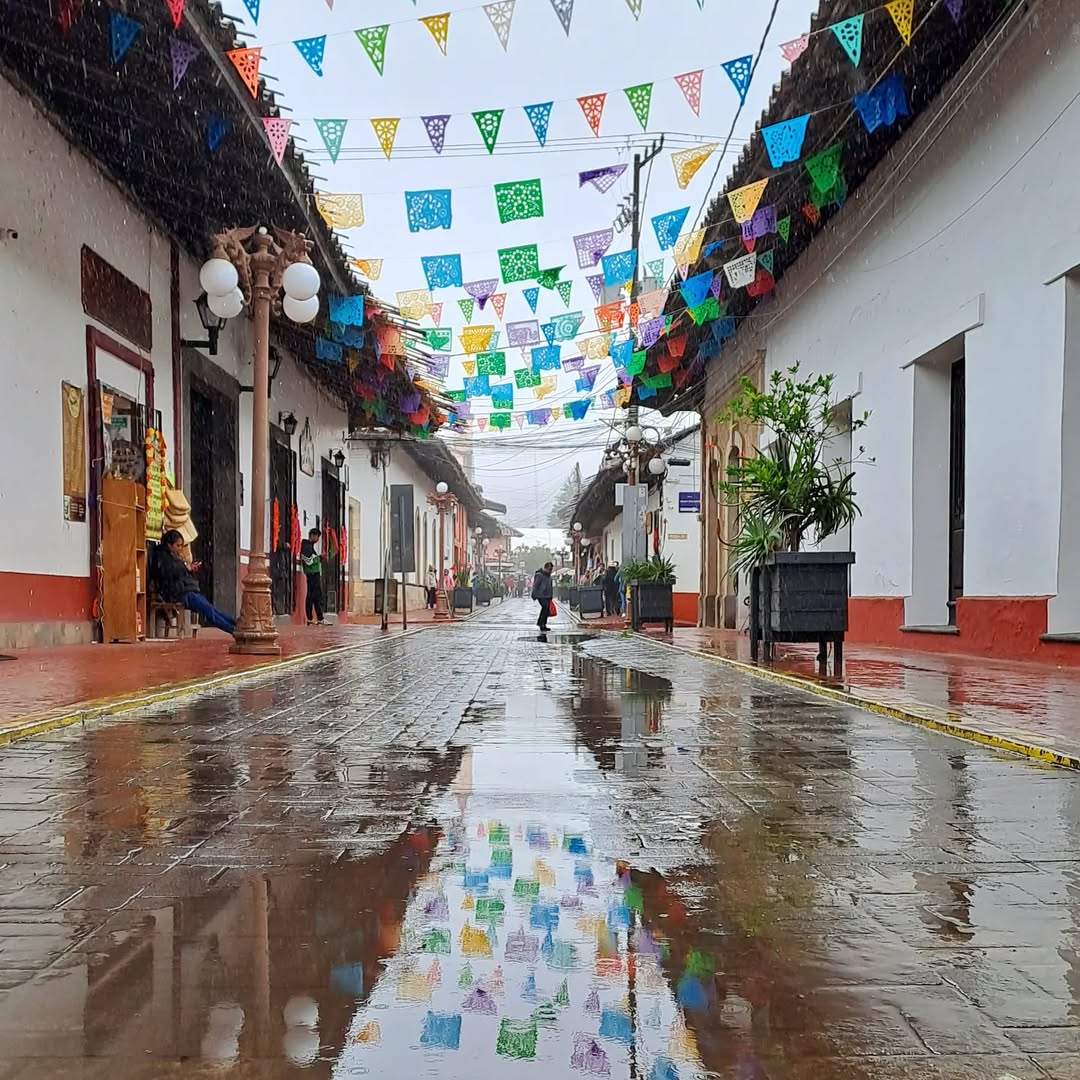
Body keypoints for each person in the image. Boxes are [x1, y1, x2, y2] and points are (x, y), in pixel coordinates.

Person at [150, 529, 236, 635]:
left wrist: (188, 568)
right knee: (208, 611)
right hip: (179, 593)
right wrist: (186, 568)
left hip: (186, 590)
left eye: (181, 546)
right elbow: (169, 573)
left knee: (211, 609)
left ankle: (235, 624)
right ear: (169, 545)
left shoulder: (173, 556)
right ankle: (232, 629)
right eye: (178, 546)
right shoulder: (162, 557)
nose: (180, 549)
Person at [300, 528, 325, 626]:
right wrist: (319, 558)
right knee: (311, 596)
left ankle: (319, 618)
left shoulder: (310, 546)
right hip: (312, 574)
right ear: (312, 535)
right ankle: (310, 618)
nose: (318, 539)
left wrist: (319, 558)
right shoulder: (306, 546)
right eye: (317, 537)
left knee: (316, 596)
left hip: (315, 573)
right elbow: (308, 561)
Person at [531, 561, 554, 638]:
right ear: (545, 568)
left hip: (547, 595)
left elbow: (550, 587)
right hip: (541, 595)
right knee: (545, 607)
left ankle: (543, 624)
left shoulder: (549, 577)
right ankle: (541, 623)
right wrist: (534, 594)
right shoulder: (539, 575)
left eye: (551, 569)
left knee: (546, 609)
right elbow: (535, 585)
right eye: (549, 569)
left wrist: (551, 595)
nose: (550, 571)